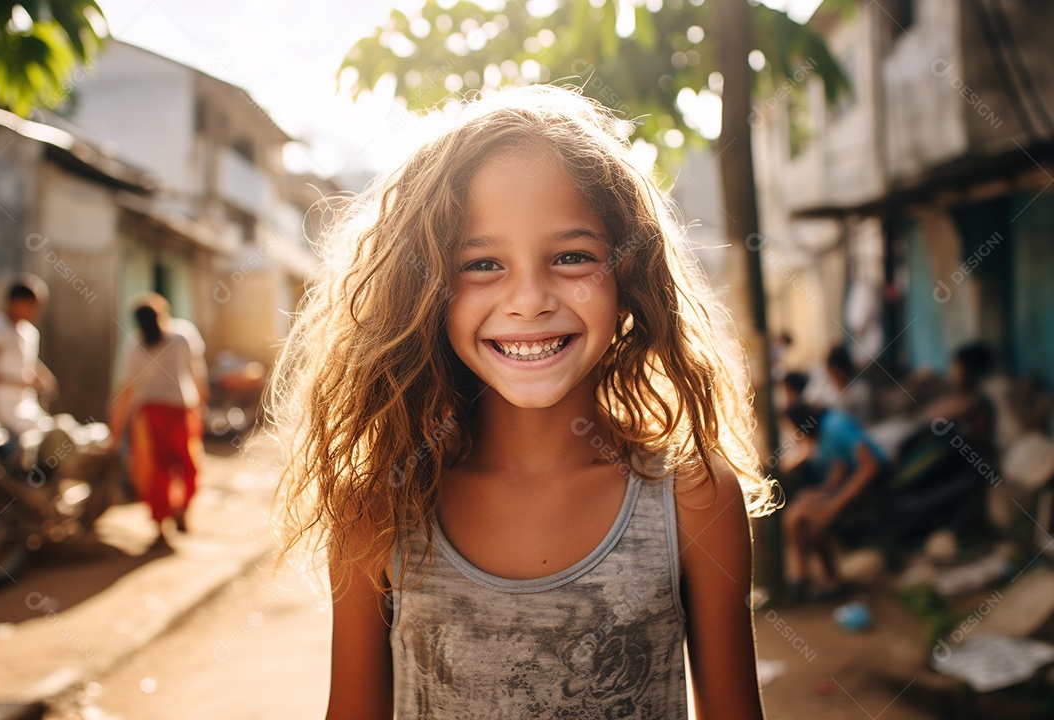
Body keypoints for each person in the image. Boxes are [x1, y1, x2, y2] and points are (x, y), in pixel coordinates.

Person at [271, 86, 775, 719]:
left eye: (572, 257)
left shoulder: (694, 499)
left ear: (629, 277)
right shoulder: (378, 507)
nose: (529, 299)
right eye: (482, 263)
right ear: (424, 290)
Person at [110, 293, 208, 544]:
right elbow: (197, 375)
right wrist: (202, 403)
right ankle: (182, 511)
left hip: (148, 417)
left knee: (155, 472)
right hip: (180, 411)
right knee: (188, 465)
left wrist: (116, 430)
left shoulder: (133, 344)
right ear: (163, 313)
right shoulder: (183, 335)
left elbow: (126, 390)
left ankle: (161, 526)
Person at [781, 402, 888, 601]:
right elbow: (840, 470)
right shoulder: (821, 435)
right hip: (849, 486)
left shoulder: (835, 426)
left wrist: (834, 504)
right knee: (794, 516)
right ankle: (803, 577)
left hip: (874, 487)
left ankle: (828, 581)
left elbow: (869, 467)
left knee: (814, 522)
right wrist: (820, 493)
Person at [0, 274, 56, 435]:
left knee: (53, 431)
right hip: (5, 407)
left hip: (28, 404)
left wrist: (42, 376)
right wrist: (22, 383)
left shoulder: (29, 332)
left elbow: (26, 361)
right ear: (16, 302)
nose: (36, 311)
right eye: (32, 305)